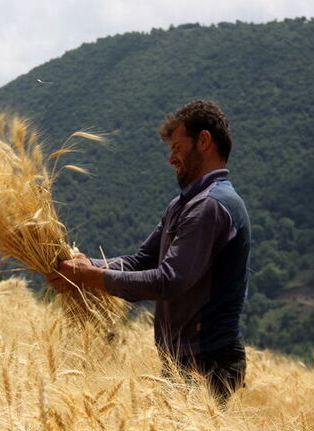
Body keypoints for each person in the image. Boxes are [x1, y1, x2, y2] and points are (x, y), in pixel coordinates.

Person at [47, 100, 250, 406]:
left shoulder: (210, 206)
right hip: (184, 357)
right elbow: (143, 260)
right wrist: (87, 266)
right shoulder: (184, 204)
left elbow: (168, 281)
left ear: (204, 141)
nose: (172, 159)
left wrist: (92, 276)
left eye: (178, 147)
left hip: (206, 360)